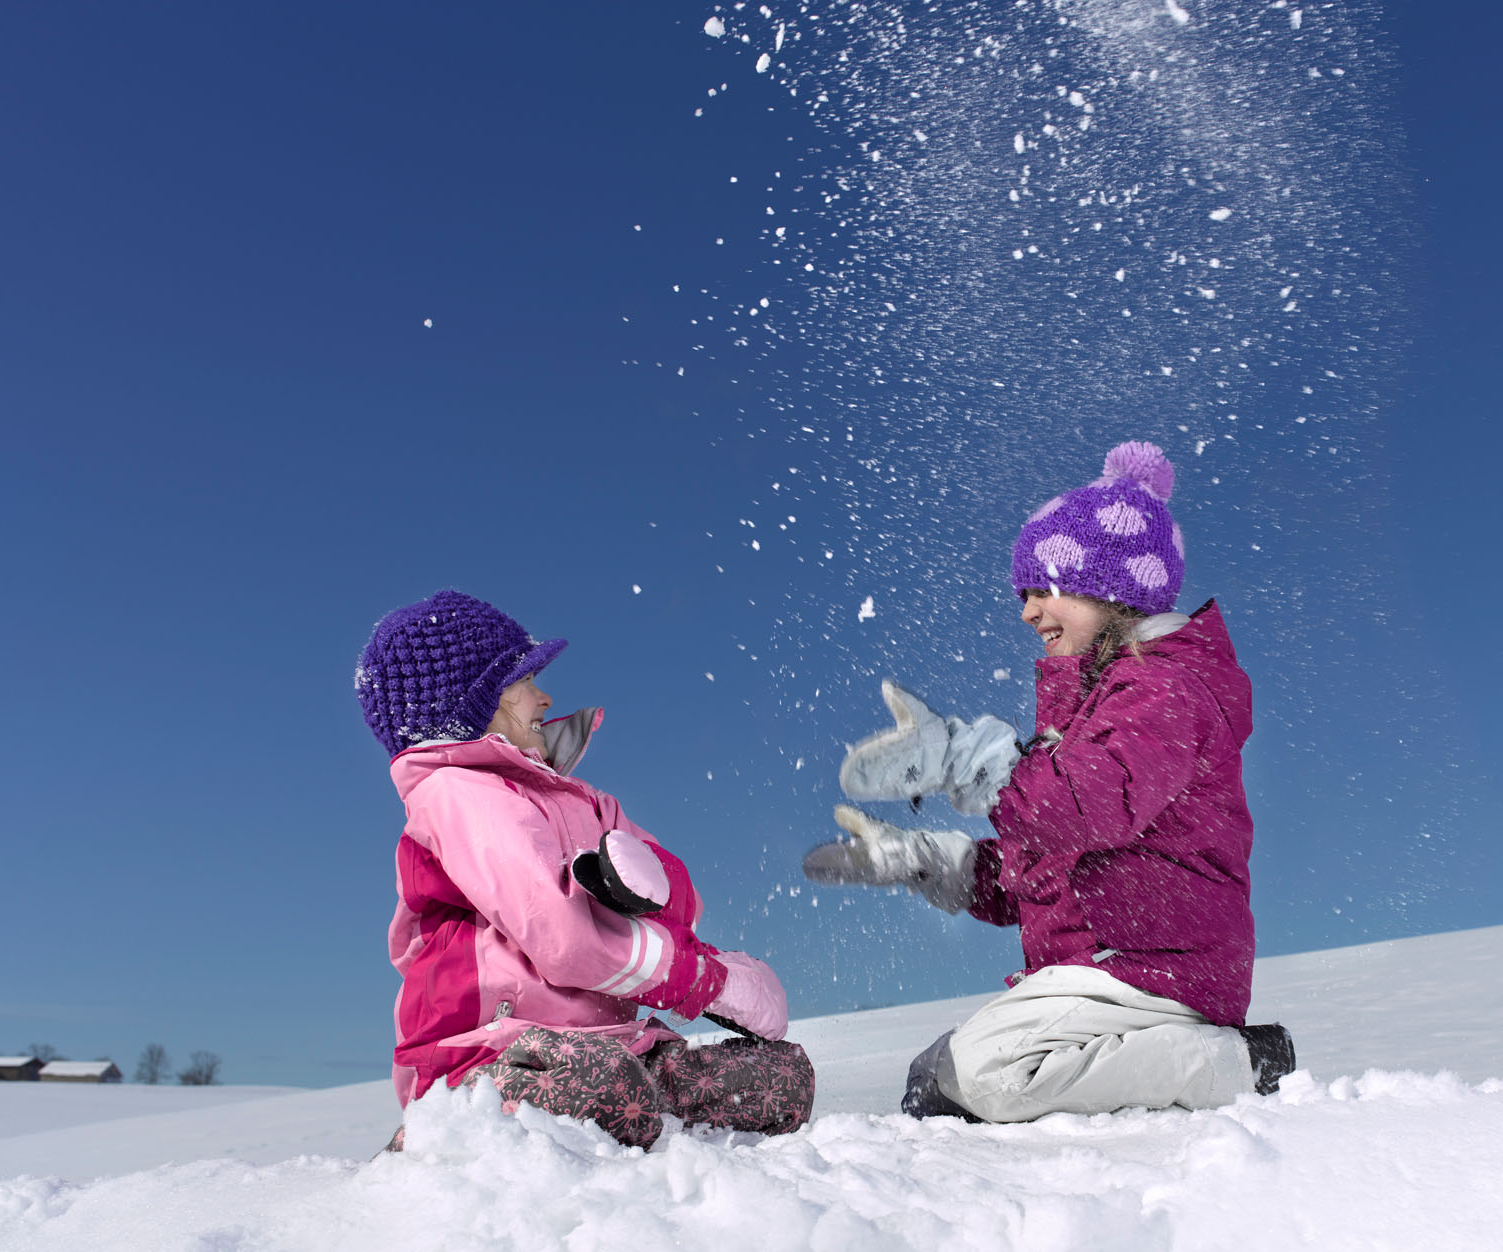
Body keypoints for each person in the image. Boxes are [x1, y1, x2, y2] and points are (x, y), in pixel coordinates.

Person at [803, 442, 1294, 1123]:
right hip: (1110, 971)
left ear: (1109, 585)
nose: (1027, 612)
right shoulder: (1096, 709)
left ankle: (1237, 1061)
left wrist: (971, 761)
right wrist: (933, 861)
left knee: (982, 1073)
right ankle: (1172, 1058)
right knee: (936, 1077)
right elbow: (1055, 862)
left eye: (1043, 589)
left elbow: (1086, 803)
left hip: (1161, 968)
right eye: (1023, 594)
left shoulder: (1166, 689)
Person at [356, 589, 813, 1148]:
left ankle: (647, 1116)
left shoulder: (583, 801)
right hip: (492, 1057)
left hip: (613, 1046)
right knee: (607, 1087)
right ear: (475, 699)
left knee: (781, 1078)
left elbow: (678, 901)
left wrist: (645, 896)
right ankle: (441, 1141)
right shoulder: (457, 795)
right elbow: (563, 936)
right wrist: (706, 982)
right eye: (524, 681)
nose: (545, 697)